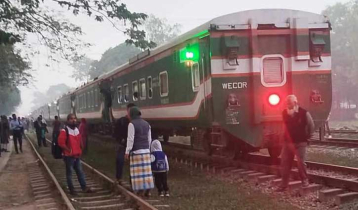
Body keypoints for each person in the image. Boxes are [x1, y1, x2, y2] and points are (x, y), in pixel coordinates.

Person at [276, 95, 315, 192]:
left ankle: (305, 181)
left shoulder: (304, 113)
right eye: (287, 103)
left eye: (290, 103)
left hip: (300, 142)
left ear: (295, 103)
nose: (288, 105)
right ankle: (284, 184)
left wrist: (309, 137)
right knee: (285, 163)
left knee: (300, 163)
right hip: (288, 143)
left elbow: (311, 125)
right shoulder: (284, 113)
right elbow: (283, 126)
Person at [58, 114, 92, 195]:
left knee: (80, 172)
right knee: (69, 173)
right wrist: (68, 150)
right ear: (68, 120)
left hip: (77, 155)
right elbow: (61, 143)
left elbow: (79, 140)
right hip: (69, 156)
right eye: (71, 119)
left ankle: (84, 187)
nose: (73, 120)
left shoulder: (76, 130)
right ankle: (72, 190)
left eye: (74, 119)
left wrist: (81, 148)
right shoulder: (64, 130)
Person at [125, 106, 154, 197]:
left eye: (129, 114)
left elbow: (130, 139)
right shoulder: (147, 124)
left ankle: (140, 190)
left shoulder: (131, 124)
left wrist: (127, 151)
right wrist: (148, 149)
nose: (128, 115)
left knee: (137, 173)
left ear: (132, 114)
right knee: (147, 172)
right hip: (146, 151)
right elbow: (149, 139)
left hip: (136, 151)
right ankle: (148, 190)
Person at [113, 103, 136, 184]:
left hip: (133, 146)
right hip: (123, 145)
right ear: (127, 110)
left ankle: (132, 181)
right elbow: (115, 133)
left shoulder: (136, 122)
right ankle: (118, 178)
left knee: (133, 164)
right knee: (120, 160)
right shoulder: (121, 121)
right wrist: (120, 140)